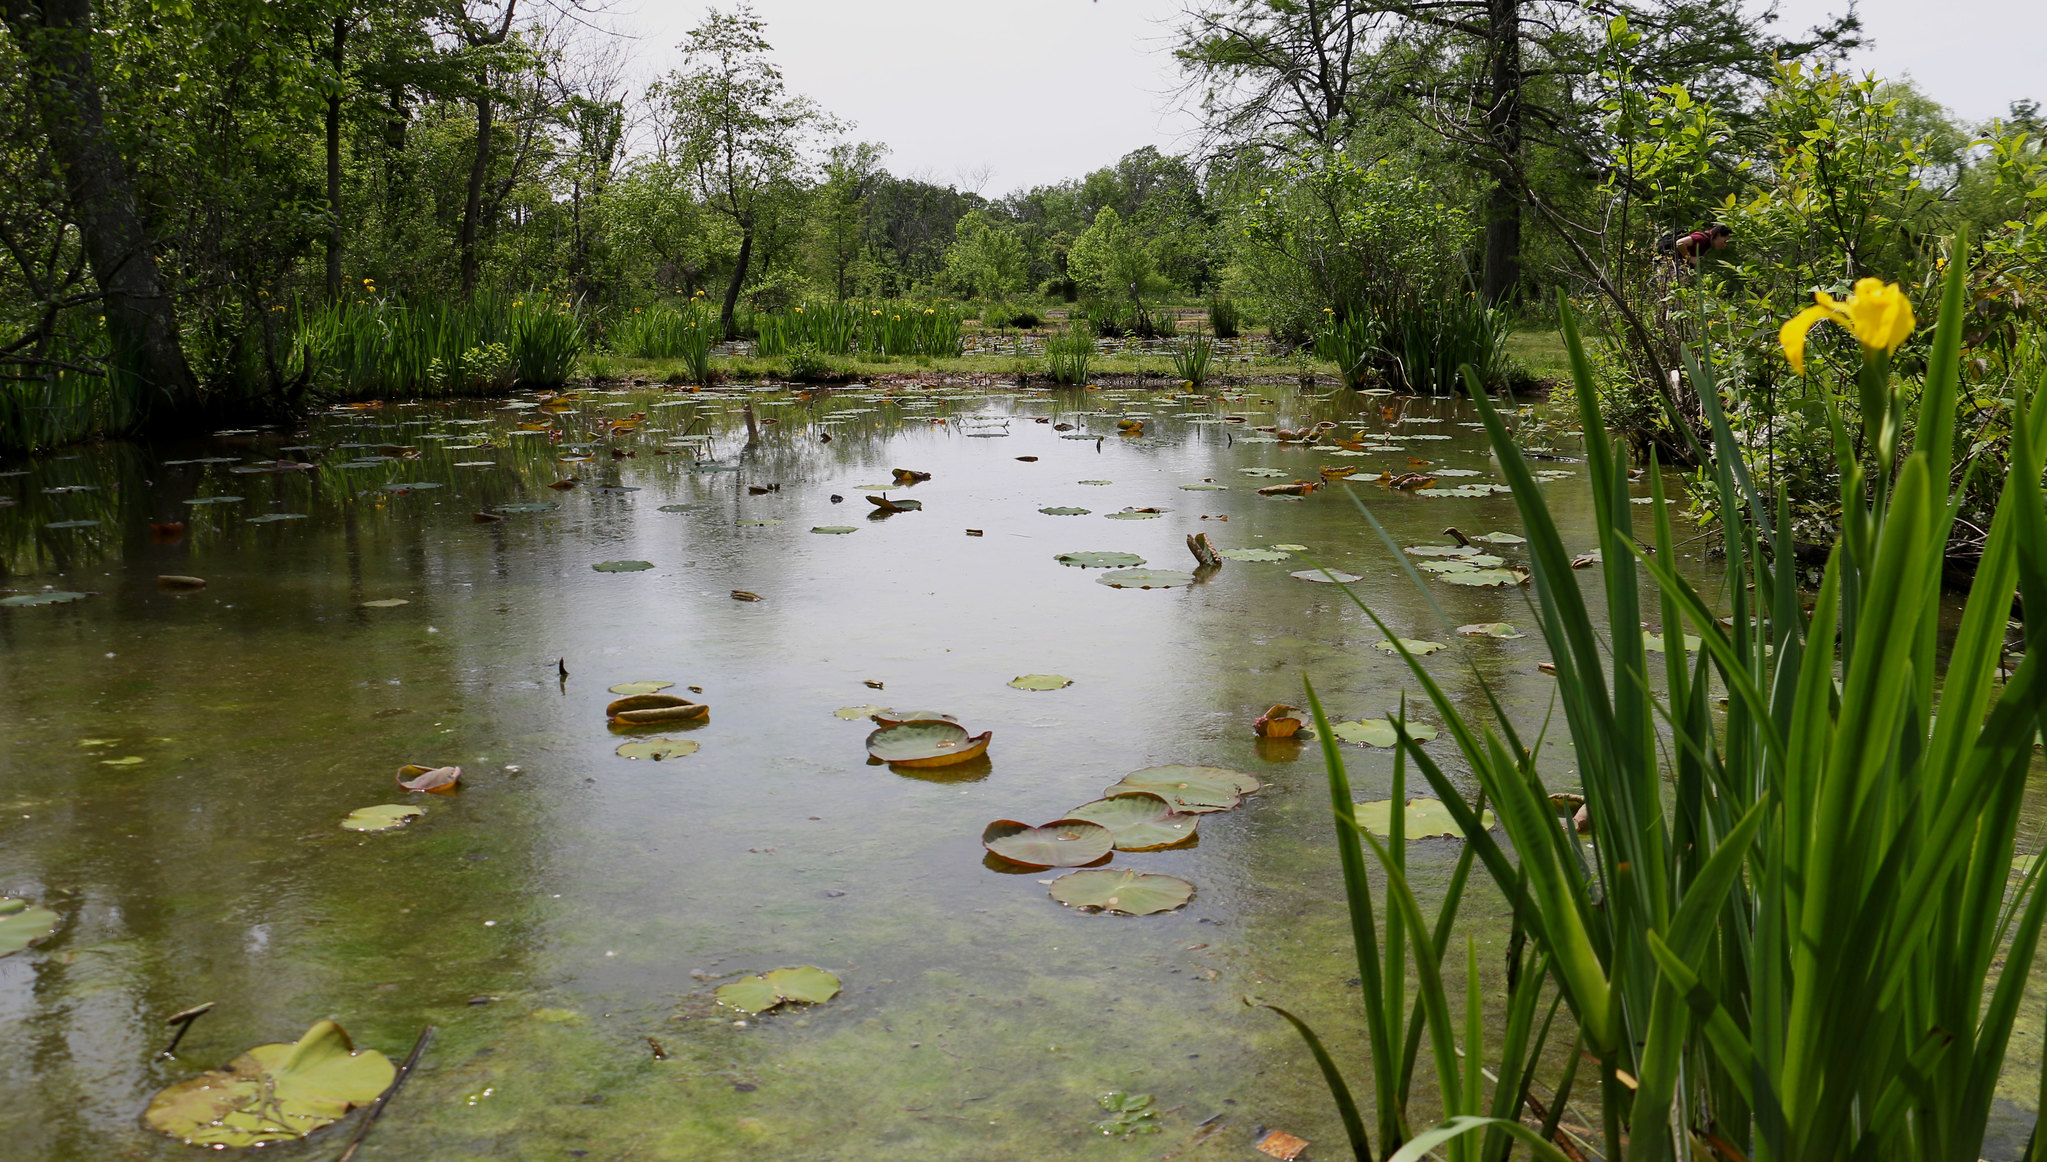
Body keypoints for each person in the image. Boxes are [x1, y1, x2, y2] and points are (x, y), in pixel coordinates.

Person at [1662, 223, 1733, 268]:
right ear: (1718, 235)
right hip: (1667, 263)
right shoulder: (1702, 239)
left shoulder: (1707, 243)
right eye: (1725, 241)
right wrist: (1689, 258)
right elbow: (1680, 243)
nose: (1724, 245)